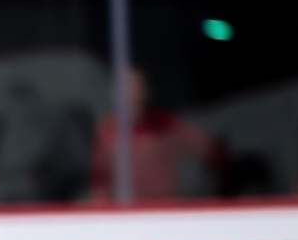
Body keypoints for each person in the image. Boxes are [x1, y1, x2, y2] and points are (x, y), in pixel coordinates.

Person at [90, 68, 225, 201]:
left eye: (138, 87)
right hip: (126, 216)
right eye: (127, 88)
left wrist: (217, 194)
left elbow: (213, 151)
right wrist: (103, 211)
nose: (133, 94)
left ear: (146, 91)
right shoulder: (108, 132)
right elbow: (100, 179)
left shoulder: (166, 125)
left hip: (162, 214)